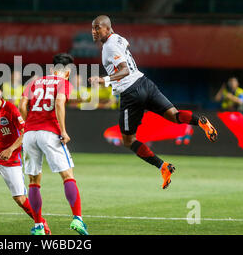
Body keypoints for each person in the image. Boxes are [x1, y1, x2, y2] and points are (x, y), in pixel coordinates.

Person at [89, 15, 218, 189]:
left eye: (97, 28)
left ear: (107, 28)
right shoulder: (118, 38)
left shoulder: (109, 47)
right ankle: (200, 121)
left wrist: (103, 80)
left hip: (130, 93)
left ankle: (163, 166)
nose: (94, 32)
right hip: (145, 83)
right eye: (92, 28)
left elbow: (124, 70)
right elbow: (126, 50)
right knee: (174, 115)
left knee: (128, 140)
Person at [0, 79, 51, 234]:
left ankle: (41, 222)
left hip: (11, 160)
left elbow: (26, 132)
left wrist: (11, 149)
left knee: (20, 199)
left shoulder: (11, 109)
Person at [19, 53, 89, 235]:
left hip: (29, 134)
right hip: (49, 133)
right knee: (67, 175)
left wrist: (29, 124)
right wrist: (63, 131)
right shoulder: (64, 83)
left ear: (51, 69)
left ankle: (38, 226)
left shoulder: (34, 82)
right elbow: (59, 103)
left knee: (34, 180)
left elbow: (22, 105)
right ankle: (78, 219)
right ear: (67, 72)